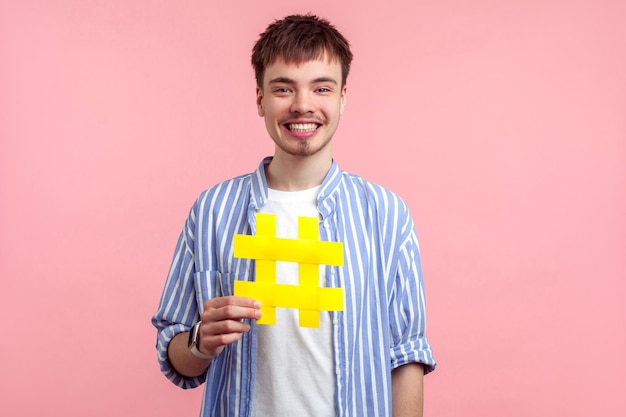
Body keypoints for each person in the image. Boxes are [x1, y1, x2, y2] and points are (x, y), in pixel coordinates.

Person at [152, 14, 436, 417]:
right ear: (260, 100)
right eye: (283, 88)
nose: (303, 105)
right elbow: (176, 353)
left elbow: (406, 354)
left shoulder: (386, 214)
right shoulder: (212, 210)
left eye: (321, 87)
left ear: (342, 98)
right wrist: (200, 340)